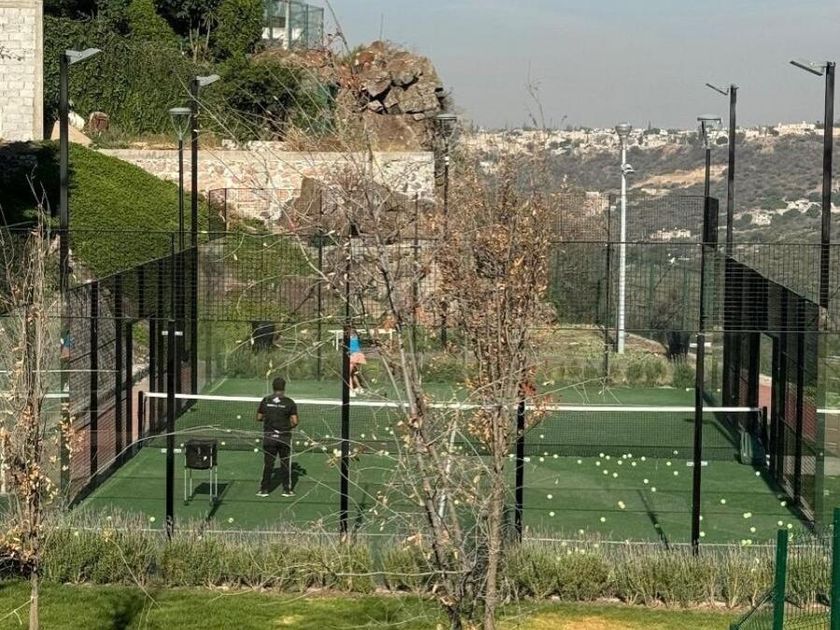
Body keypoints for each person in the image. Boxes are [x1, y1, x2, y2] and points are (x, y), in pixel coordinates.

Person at [256, 377, 298, 497]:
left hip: (269, 438)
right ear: (284, 388)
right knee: (285, 463)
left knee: (268, 463)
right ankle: (287, 490)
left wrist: (269, 419)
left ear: (273, 387)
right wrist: (287, 427)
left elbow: (259, 417)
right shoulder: (290, 402)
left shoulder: (266, 400)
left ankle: (264, 490)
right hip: (284, 438)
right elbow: (295, 421)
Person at [347, 325, 367, 397]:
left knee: (347, 374)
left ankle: (351, 390)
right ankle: (359, 388)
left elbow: (349, 348)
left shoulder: (349, 337)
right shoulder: (356, 336)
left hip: (353, 356)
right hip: (359, 355)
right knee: (352, 374)